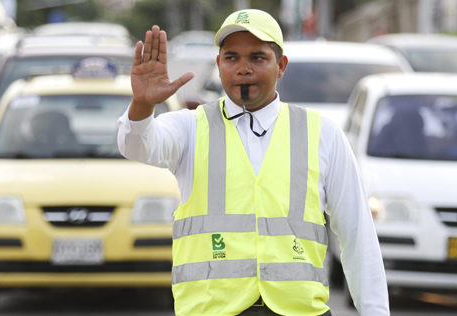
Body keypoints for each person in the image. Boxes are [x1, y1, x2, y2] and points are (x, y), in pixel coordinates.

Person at [117, 9, 389, 316]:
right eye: (232, 57)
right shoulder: (191, 127)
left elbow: (358, 236)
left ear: (280, 66)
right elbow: (136, 146)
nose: (243, 68)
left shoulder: (322, 134)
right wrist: (141, 106)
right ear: (219, 64)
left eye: (257, 58)